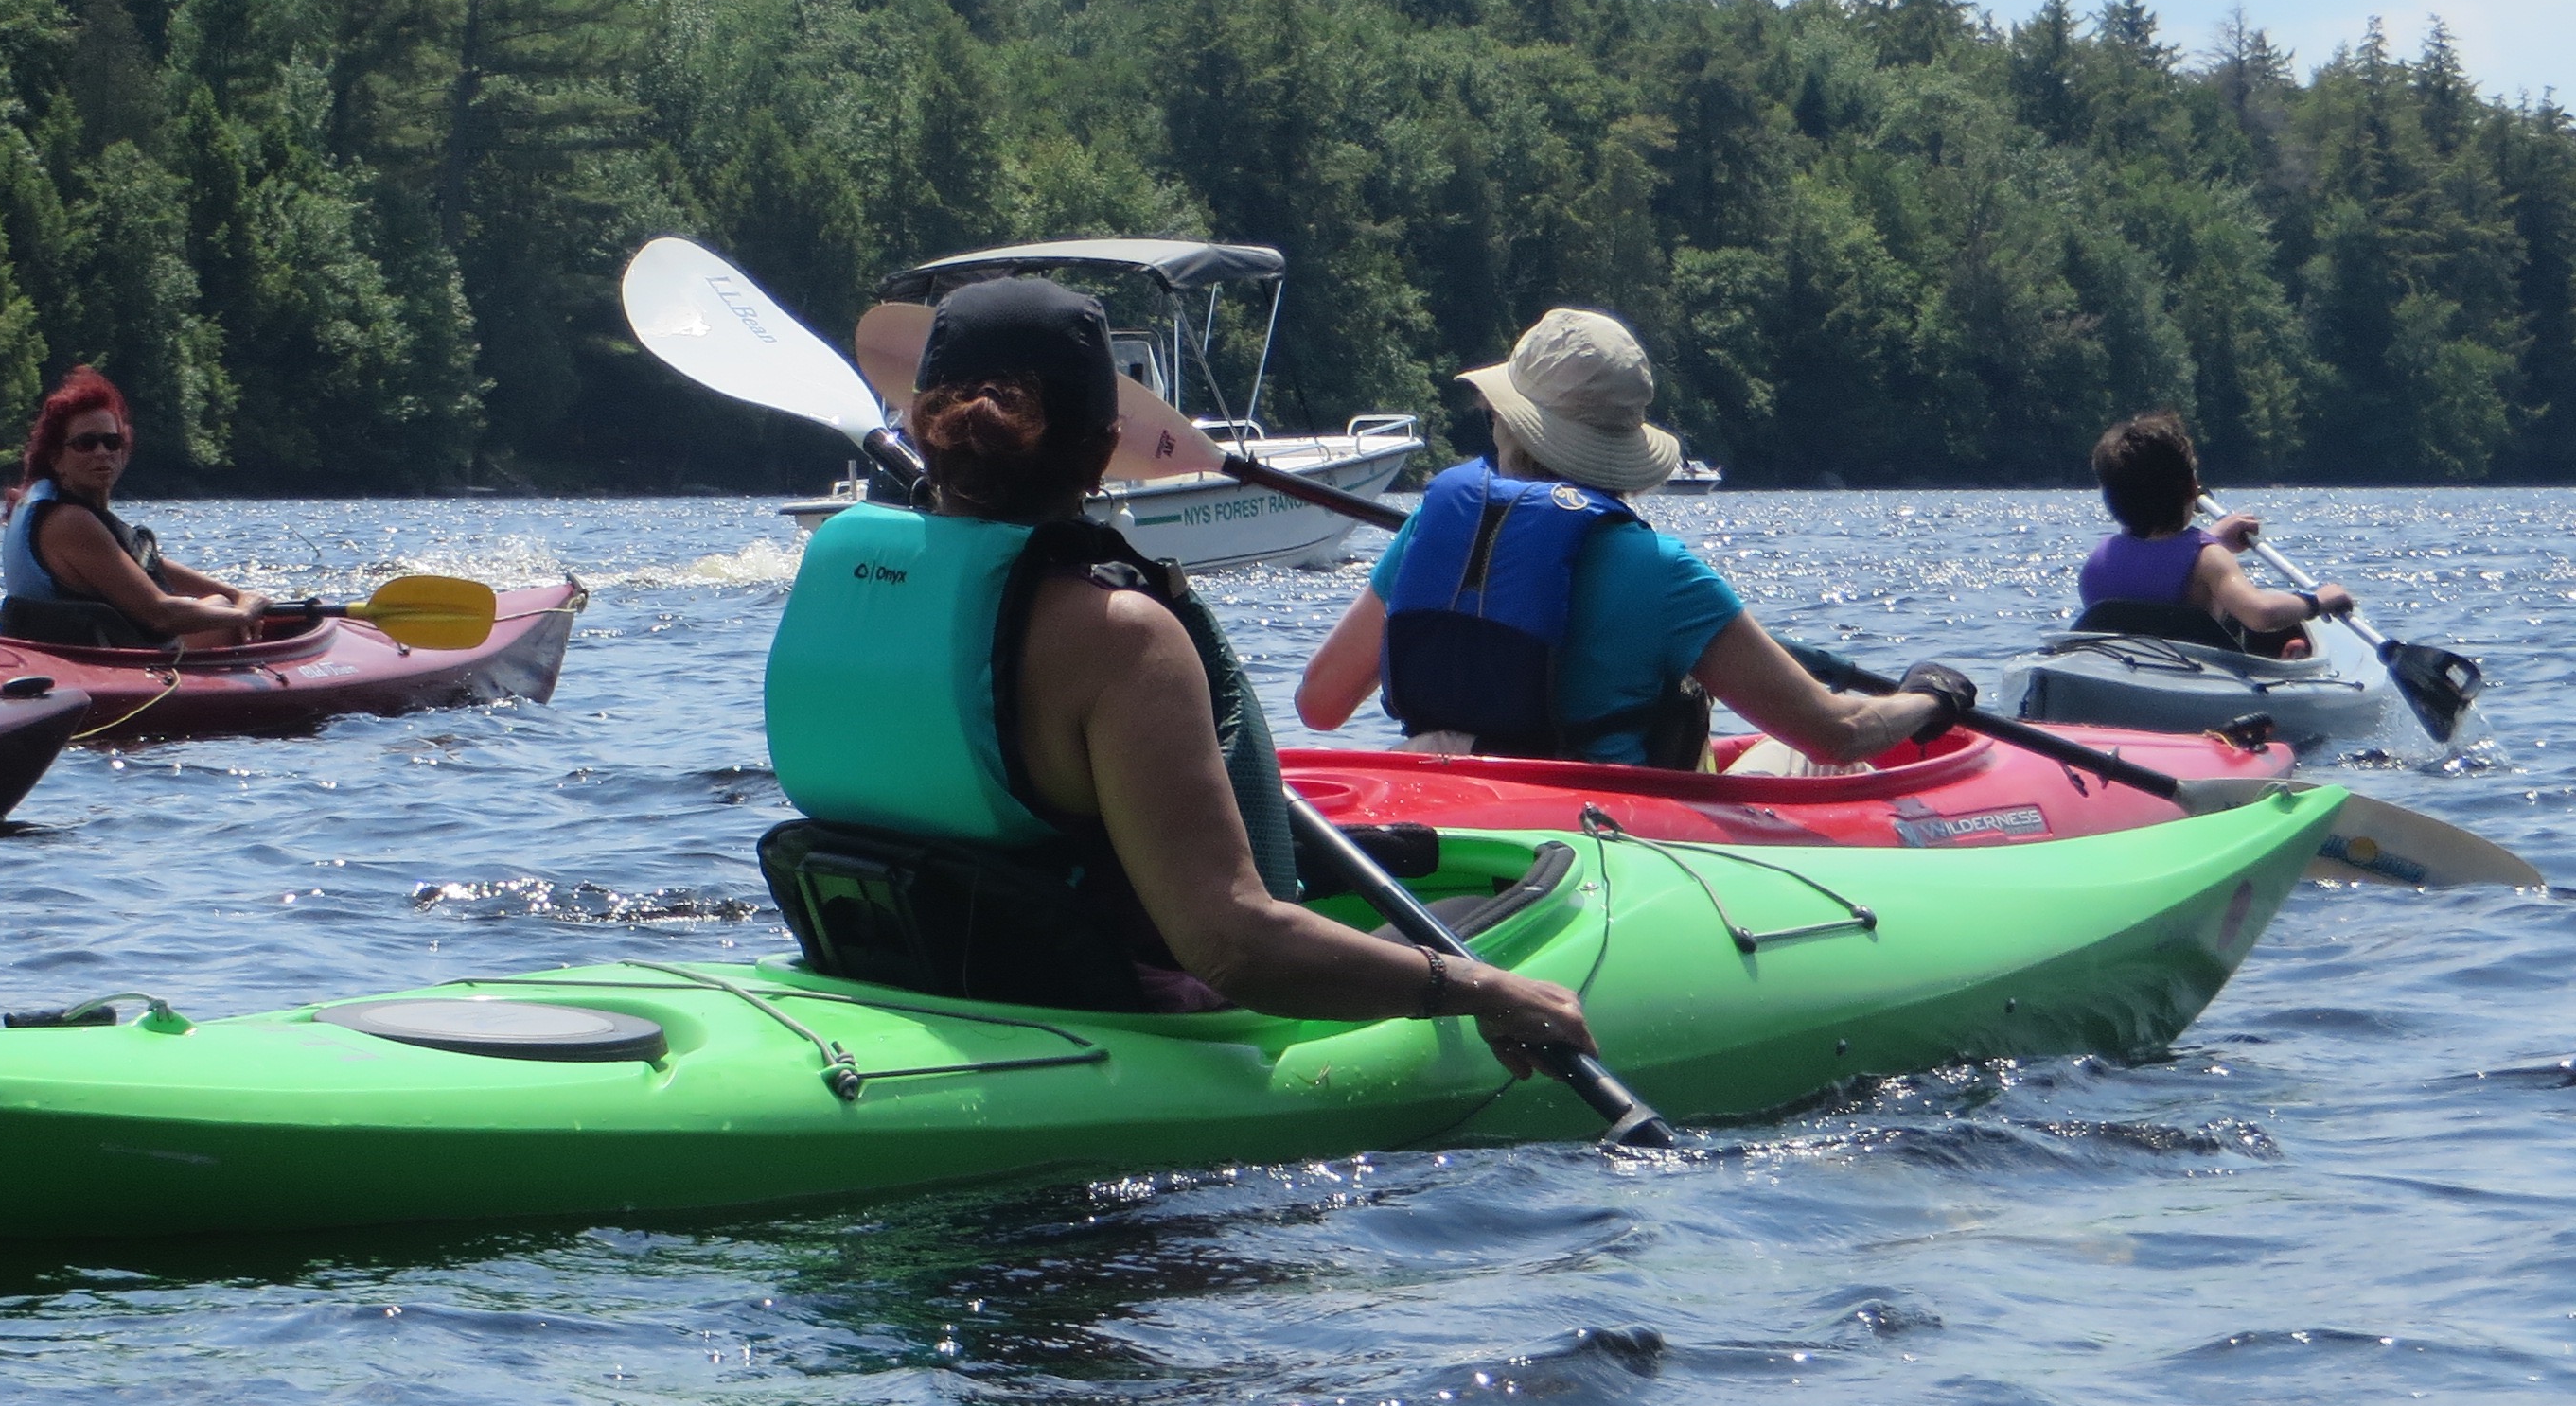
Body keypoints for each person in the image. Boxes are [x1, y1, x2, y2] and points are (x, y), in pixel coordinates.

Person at [760, 275, 1600, 1070]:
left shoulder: (846, 574)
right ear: (1103, 452)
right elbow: (1232, 945)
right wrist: (1480, 990)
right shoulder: (1119, 637)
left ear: (919, 428)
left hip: (887, 973)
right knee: (1472, 925)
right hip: (1098, 1017)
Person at [1294, 308, 1971, 768]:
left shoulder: (1428, 530)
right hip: (1605, 833)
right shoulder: (1665, 572)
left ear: (1506, 422)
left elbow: (1320, 707)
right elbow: (1836, 735)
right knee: (1799, 758)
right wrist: (1929, 696)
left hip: (1453, 806)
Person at [0, 369, 278, 647]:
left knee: (221, 601)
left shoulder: (70, 513)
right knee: (223, 613)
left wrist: (234, 592)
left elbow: (137, 563)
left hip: (85, 649)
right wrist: (244, 612)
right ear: (57, 459)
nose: (102, 452)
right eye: (85, 443)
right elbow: (161, 615)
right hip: (98, 664)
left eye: (112, 442)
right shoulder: (70, 521)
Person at [2079, 410, 2350, 647]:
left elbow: (2156, 564)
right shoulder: (2209, 560)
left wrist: (2211, 538)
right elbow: (2261, 614)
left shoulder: (2099, 558)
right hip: (2190, 675)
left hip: (2118, 665)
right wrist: (2317, 602)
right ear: (2190, 489)